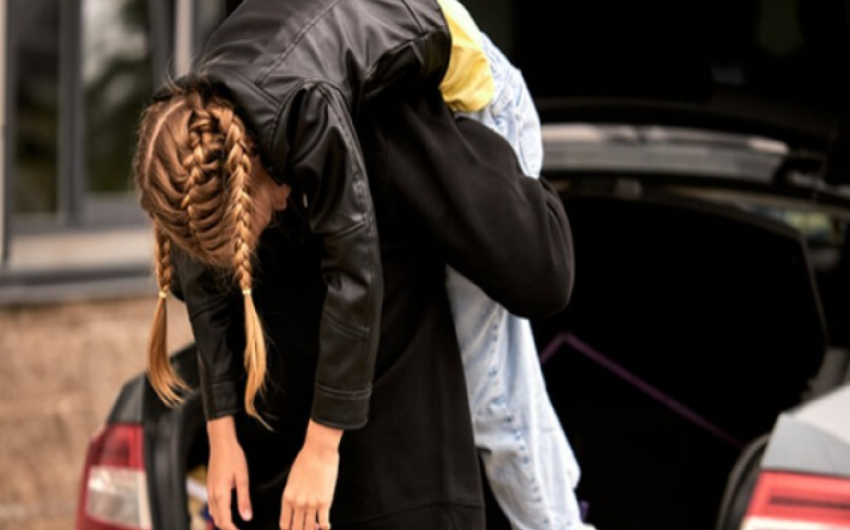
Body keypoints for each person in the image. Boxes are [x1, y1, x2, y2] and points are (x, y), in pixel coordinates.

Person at [134, 0, 577, 528]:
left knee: (490, 389)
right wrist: (221, 432)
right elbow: (203, 280)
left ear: (249, 174)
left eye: (256, 225)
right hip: (334, 42)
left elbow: (357, 274)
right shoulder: (194, 136)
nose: (275, 223)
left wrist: (322, 451)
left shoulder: (313, 112)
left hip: (476, 84)